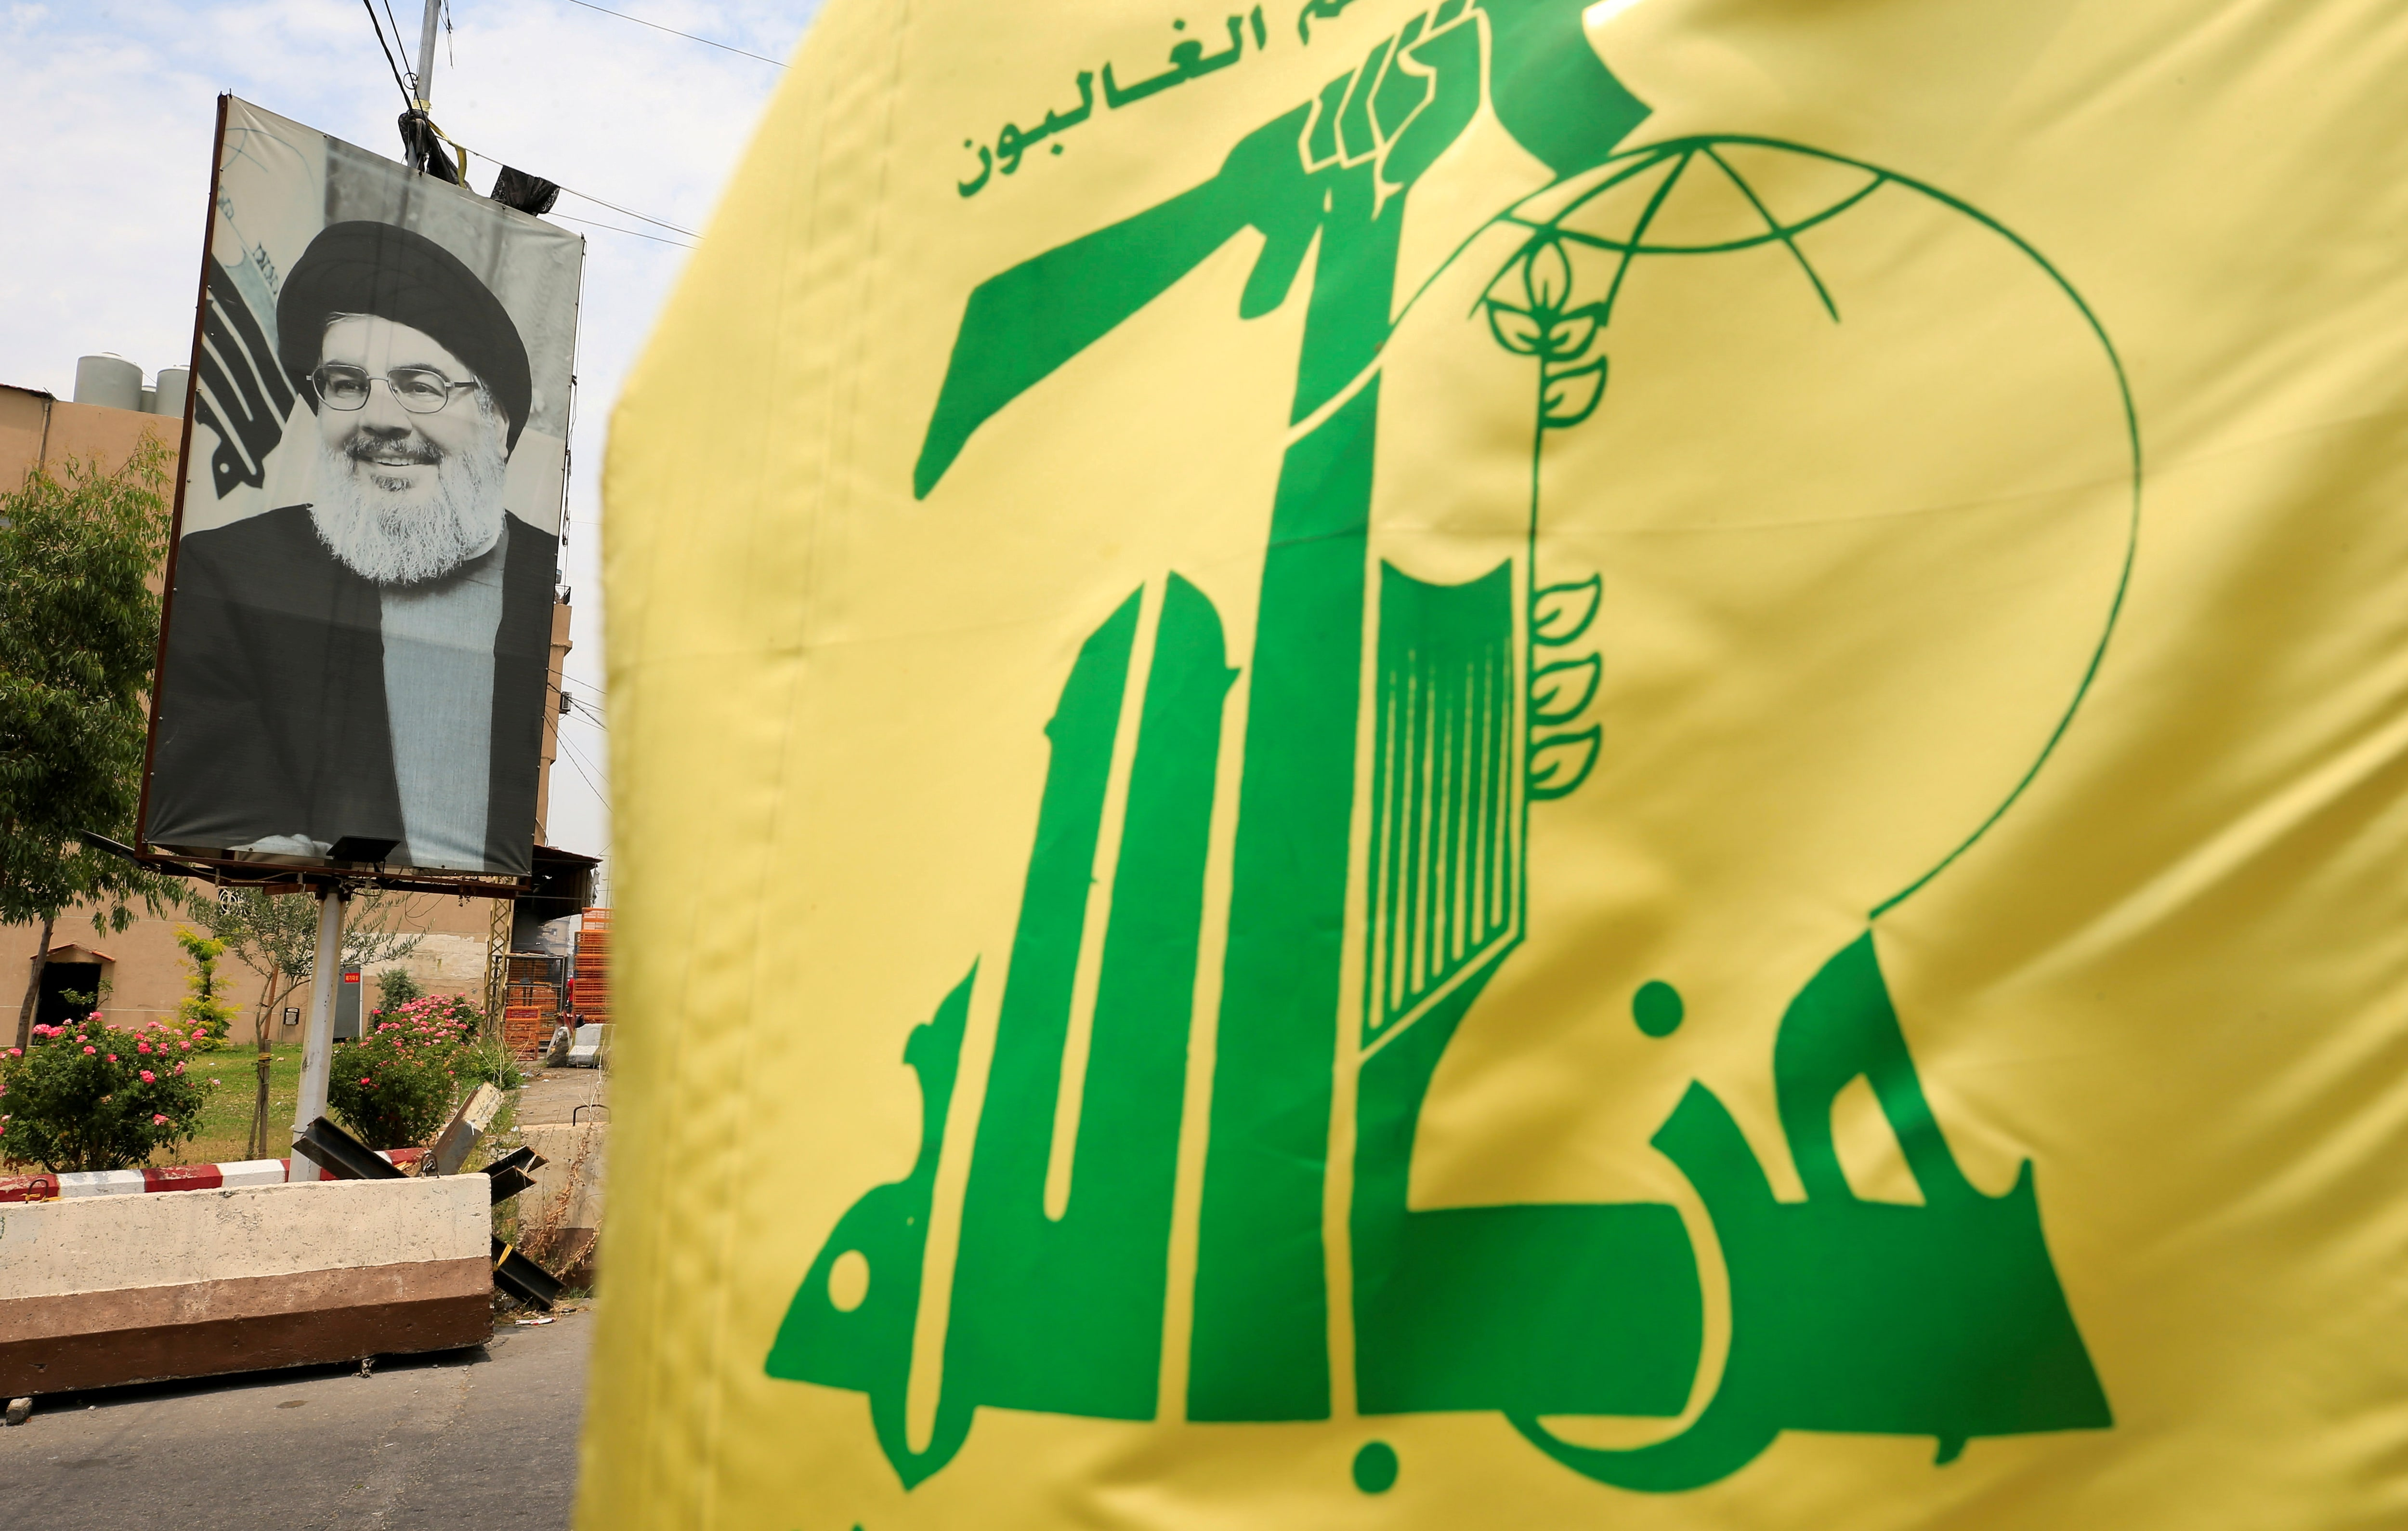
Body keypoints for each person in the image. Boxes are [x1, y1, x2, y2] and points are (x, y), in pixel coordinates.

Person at [147, 221, 558, 875]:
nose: (380, 418)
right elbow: (216, 806)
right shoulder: (231, 575)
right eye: (345, 384)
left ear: (496, 415)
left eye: (421, 385)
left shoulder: (540, 574)